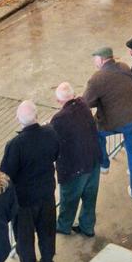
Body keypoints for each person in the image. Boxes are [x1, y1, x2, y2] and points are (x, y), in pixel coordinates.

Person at [82, 47, 132, 207]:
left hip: (118, 121)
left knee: (95, 132)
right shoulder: (124, 67)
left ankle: (103, 163)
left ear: (101, 60)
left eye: (95, 59)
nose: (94, 62)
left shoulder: (97, 78)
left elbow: (86, 102)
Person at [0, 101, 59, 262]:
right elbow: (56, 154)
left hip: (24, 201)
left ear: (18, 119)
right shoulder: (51, 133)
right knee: (47, 232)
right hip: (47, 193)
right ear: (37, 115)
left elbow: (6, 174)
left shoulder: (15, 145)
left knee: (24, 240)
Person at [51, 83, 101, 237]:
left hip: (75, 168)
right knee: (90, 197)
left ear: (59, 102)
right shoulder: (84, 106)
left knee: (69, 199)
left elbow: (53, 143)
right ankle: (87, 227)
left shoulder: (59, 119)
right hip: (93, 161)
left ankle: (64, 226)